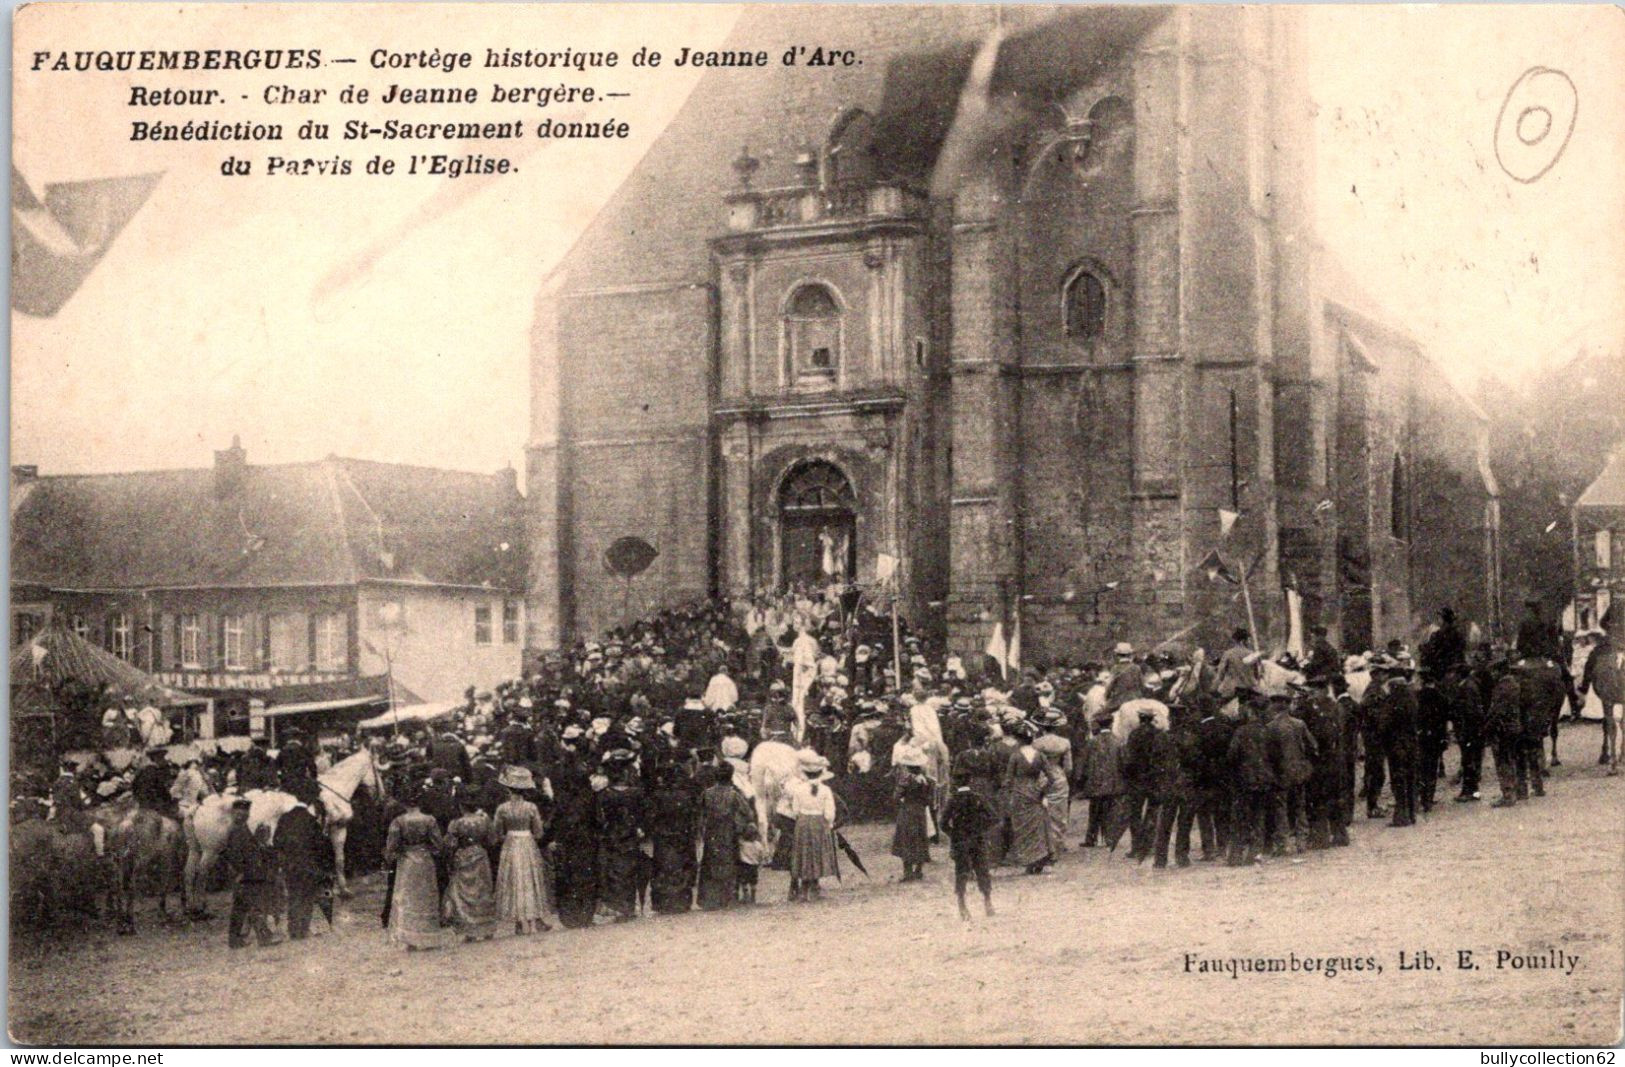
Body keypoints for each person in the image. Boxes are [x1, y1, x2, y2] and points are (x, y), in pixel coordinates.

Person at [383, 786, 448, 949]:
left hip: (407, 862)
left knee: (408, 896)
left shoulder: (398, 821)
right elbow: (439, 845)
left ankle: (409, 937)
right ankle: (428, 935)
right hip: (425, 860)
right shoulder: (430, 820)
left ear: (405, 803)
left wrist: (391, 857)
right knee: (426, 896)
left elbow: (391, 846)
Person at [491, 765, 552, 934]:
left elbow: (496, 832)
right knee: (529, 878)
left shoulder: (502, 808)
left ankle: (519, 921)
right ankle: (534, 920)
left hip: (511, 842)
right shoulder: (531, 807)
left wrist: (507, 836)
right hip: (527, 842)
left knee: (513, 879)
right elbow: (538, 832)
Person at [274, 778, 333, 940]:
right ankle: (303, 929)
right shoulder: (310, 820)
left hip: (289, 865)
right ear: (310, 799)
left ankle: (293, 929)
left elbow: (277, 841)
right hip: (309, 865)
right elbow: (320, 845)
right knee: (307, 897)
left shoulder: (285, 818)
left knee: (293, 895)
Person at [595, 749, 648, 922]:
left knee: (614, 871)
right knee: (630, 869)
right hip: (630, 834)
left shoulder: (604, 795)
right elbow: (643, 815)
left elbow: (600, 817)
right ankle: (629, 906)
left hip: (612, 835)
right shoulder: (636, 793)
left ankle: (618, 907)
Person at [1263, 691, 1318, 854]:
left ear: (1274, 707)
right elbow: (1313, 746)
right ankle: (1301, 842)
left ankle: (1283, 844)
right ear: (1287, 706)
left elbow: (1268, 753)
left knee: (1281, 809)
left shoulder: (1270, 727)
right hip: (1299, 772)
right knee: (1300, 806)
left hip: (1280, 773)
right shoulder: (1299, 724)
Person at [940, 765, 996, 921]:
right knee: (982, 870)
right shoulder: (978, 797)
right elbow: (994, 817)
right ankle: (987, 901)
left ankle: (962, 905)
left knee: (962, 872)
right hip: (977, 839)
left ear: (955, 782)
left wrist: (954, 835)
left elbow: (943, 823)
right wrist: (981, 829)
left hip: (960, 840)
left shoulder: (953, 800)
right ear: (970, 781)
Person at [697, 763, 756, 910]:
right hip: (728, 833)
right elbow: (748, 813)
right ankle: (729, 897)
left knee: (710, 863)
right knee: (729, 862)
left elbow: (700, 814)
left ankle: (710, 899)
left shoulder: (707, 794)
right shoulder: (734, 795)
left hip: (711, 833)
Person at [1002, 721, 1058, 874]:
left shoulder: (1015, 756)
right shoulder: (1040, 755)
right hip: (1035, 792)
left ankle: (1028, 859)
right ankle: (1040, 858)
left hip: (1020, 793)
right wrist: (1042, 791)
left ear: (1019, 740)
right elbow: (1052, 778)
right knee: (1037, 827)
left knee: (1022, 827)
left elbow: (1008, 779)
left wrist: (1006, 794)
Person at [783, 749, 839, 901]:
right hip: (819, 821)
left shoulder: (799, 789)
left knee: (804, 852)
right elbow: (830, 812)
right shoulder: (826, 790)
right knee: (817, 852)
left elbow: (795, 810)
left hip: (803, 822)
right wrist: (829, 822)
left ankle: (805, 886)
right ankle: (814, 885)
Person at [222, 797, 277, 949]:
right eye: (239, 813)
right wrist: (240, 871)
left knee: (240, 908)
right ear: (234, 813)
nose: (242, 815)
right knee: (254, 906)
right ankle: (264, 938)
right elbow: (233, 855)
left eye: (245, 812)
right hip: (246, 874)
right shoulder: (237, 830)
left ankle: (235, 941)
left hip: (247, 873)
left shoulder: (241, 828)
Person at [1225, 697, 1273, 866]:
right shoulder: (1268, 731)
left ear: (1251, 711)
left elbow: (1231, 755)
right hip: (1264, 779)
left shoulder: (1241, 731)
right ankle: (1254, 853)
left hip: (1244, 780)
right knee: (1258, 816)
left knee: (1240, 818)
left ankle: (1236, 855)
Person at [443, 797, 498, 941]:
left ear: (462, 807)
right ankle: (487, 929)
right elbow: (492, 840)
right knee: (482, 890)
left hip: (464, 856)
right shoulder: (485, 821)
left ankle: (470, 931)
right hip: (480, 855)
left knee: (466, 892)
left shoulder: (456, 823)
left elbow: (449, 844)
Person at [647, 764, 698, 914]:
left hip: (663, 836)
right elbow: (691, 817)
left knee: (663, 867)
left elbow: (652, 817)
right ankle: (681, 901)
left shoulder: (657, 796)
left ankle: (662, 903)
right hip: (681, 835)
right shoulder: (685, 796)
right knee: (681, 867)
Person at [1032, 710, 1074, 853]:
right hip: (1058, 775)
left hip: (1041, 776)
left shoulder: (1036, 743)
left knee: (1041, 809)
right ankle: (1058, 842)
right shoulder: (1064, 742)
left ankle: (1044, 843)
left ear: (1042, 726)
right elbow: (1068, 767)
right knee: (1060, 811)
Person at [890, 747, 933, 882]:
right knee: (920, 838)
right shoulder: (927, 780)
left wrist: (903, 799)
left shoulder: (906, 780)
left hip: (907, 810)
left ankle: (908, 872)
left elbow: (896, 796)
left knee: (906, 839)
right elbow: (929, 800)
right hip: (920, 811)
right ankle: (918, 870)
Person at [1080, 716, 1122, 848]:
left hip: (1095, 783)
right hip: (1113, 783)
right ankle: (1110, 838)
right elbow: (1123, 763)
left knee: (1094, 811)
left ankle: (1091, 838)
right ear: (1111, 725)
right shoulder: (1118, 741)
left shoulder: (1092, 742)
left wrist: (1084, 780)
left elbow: (1085, 763)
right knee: (1111, 810)